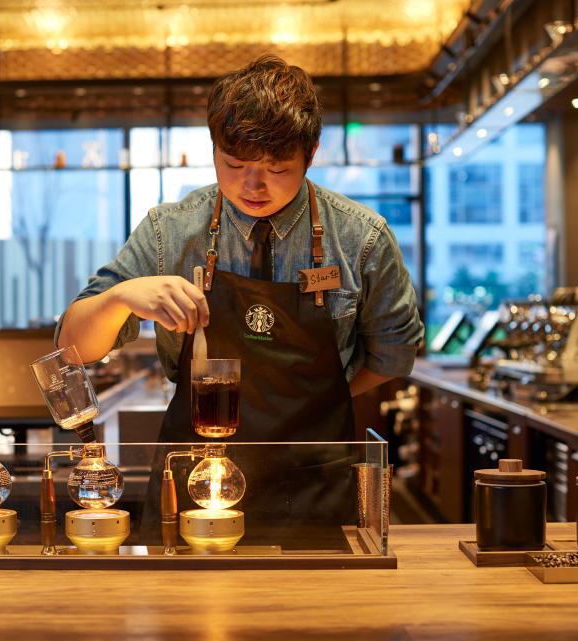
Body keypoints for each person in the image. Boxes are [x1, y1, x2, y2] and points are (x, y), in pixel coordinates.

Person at [57, 54, 423, 544]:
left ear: (310, 153)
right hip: (195, 477)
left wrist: (317, 397)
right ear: (213, 150)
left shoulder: (361, 238)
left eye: (277, 168)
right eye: (235, 165)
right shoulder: (171, 232)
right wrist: (123, 297)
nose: (253, 186)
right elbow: (73, 349)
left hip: (314, 474)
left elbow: (395, 354)